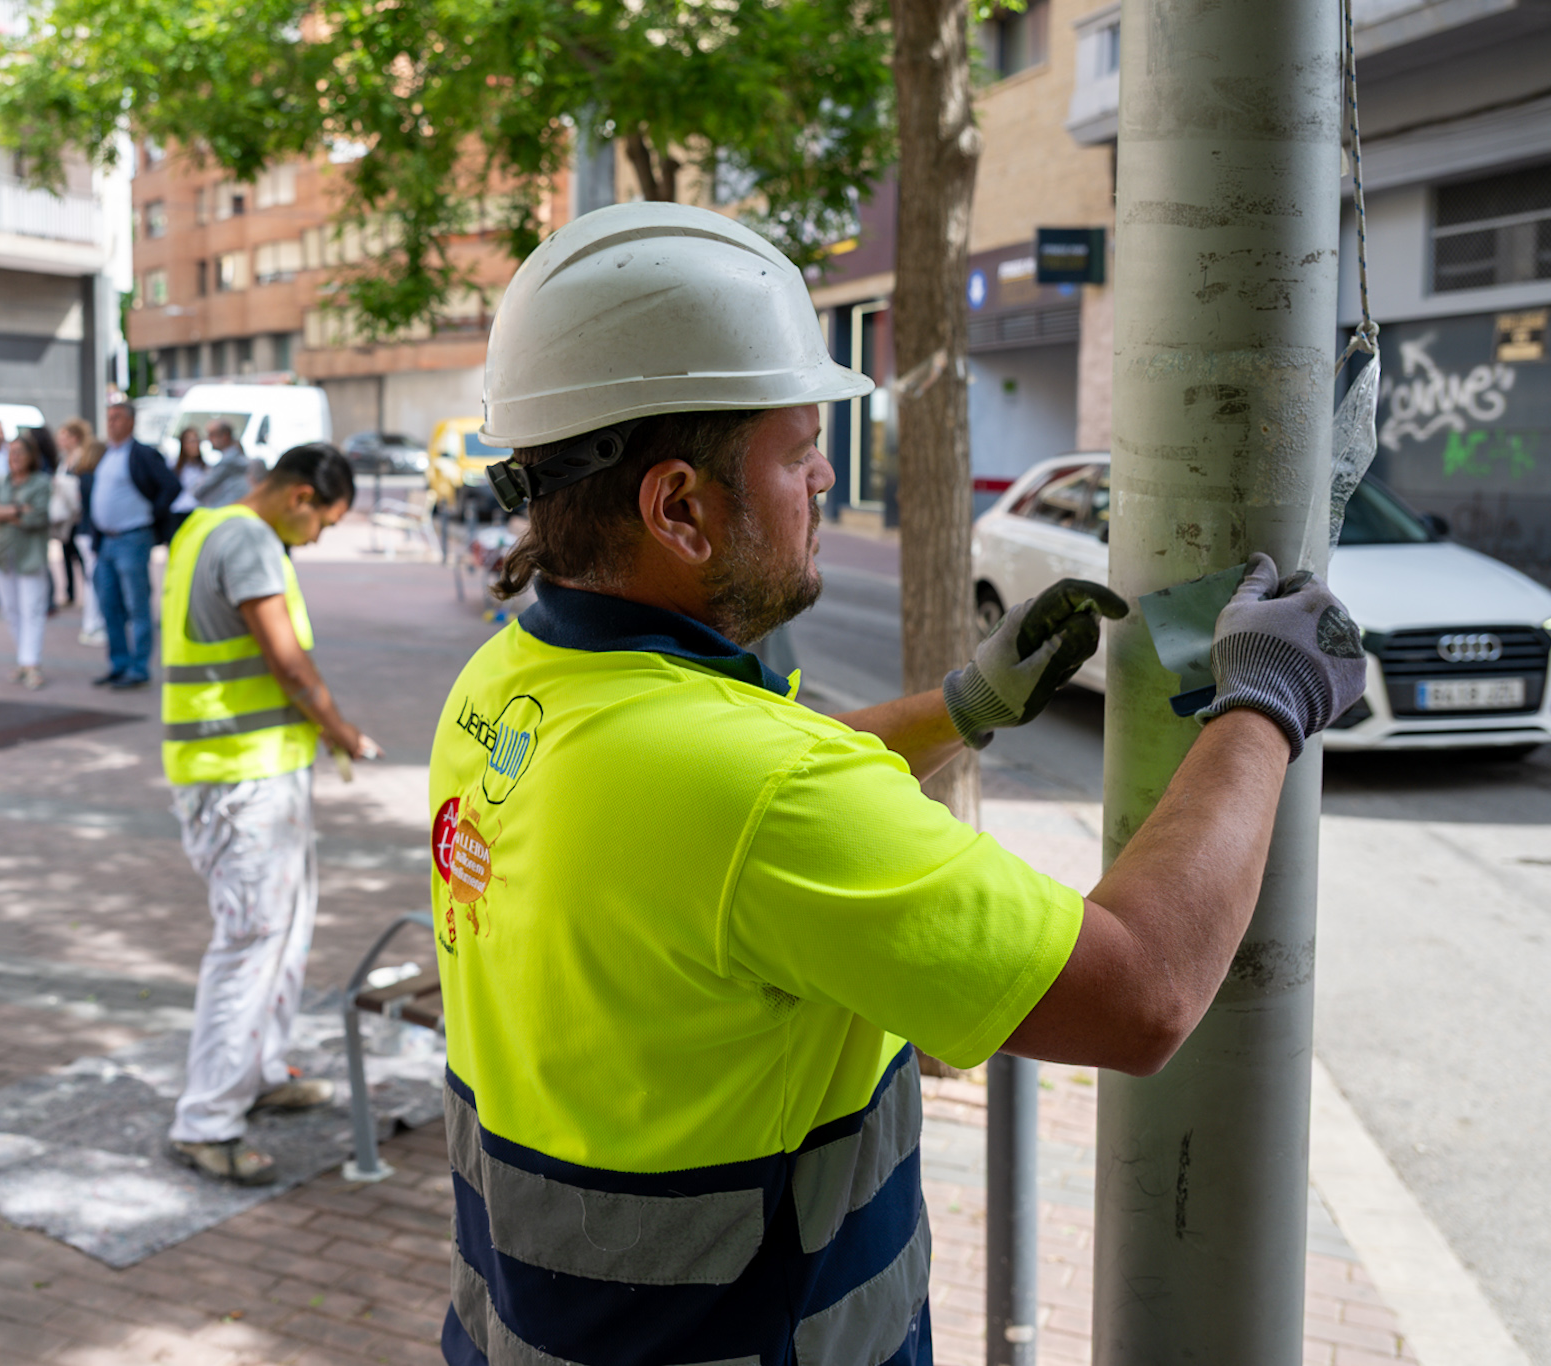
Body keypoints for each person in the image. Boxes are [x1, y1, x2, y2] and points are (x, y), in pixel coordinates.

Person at [428, 203, 1370, 1365]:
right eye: (797, 450)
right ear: (677, 506)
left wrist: (960, 706)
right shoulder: (758, 788)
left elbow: (716, 833)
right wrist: (1265, 705)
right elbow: (1142, 994)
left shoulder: (507, 684)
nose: (826, 475)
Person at [161, 443, 381, 1185]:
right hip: (241, 778)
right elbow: (288, 662)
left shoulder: (204, 527)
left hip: (242, 772)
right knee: (254, 939)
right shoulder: (251, 541)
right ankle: (207, 1122)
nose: (317, 540)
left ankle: (255, 1072)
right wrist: (340, 729)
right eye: (325, 523)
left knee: (281, 932)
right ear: (299, 497)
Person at [80, 401, 180, 690]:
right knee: (109, 605)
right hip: (107, 541)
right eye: (109, 417)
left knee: (137, 605)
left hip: (132, 538)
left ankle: (139, 667)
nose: (112, 423)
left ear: (131, 422)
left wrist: (150, 515)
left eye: (118, 417)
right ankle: (119, 664)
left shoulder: (142, 454)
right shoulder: (107, 454)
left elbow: (170, 486)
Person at [0, 434, 54, 689]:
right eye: (11, 453)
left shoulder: (41, 482)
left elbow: (38, 517)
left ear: (31, 456)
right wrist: (18, 509)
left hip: (30, 556)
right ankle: (25, 660)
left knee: (32, 609)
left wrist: (2, 511)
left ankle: (31, 663)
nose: (14, 458)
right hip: (2, 555)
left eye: (20, 452)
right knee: (11, 609)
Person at [60, 428, 108, 647]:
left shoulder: (83, 475)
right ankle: (92, 625)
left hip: (84, 532)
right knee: (94, 581)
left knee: (92, 580)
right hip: (89, 533)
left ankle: (93, 624)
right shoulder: (92, 477)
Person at [194, 420, 264, 508]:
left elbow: (200, 490)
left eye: (212, 435)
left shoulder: (229, 462)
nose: (208, 439)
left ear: (225, 436)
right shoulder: (234, 458)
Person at [170, 426, 208, 516]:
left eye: (197, 441)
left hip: (199, 510)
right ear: (183, 444)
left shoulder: (204, 467)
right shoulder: (173, 465)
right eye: (191, 441)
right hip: (179, 510)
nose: (195, 445)